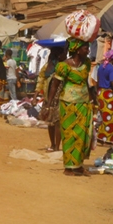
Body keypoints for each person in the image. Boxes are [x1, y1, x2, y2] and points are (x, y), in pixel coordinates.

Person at [48, 38, 95, 176]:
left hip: (83, 103)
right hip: (68, 104)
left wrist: (93, 99)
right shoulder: (64, 66)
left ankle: (78, 165)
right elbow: (55, 85)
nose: (88, 51)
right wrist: (49, 103)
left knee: (82, 133)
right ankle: (68, 167)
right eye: (85, 48)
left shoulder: (86, 63)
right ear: (77, 49)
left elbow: (87, 82)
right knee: (69, 134)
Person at [36, 46, 65, 152]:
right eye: (63, 53)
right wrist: (35, 96)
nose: (65, 55)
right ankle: (53, 144)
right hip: (49, 97)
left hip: (60, 97)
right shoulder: (47, 67)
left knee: (58, 122)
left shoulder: (64, 66)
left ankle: (57, 146)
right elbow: (40, 80)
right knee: (50, 122)